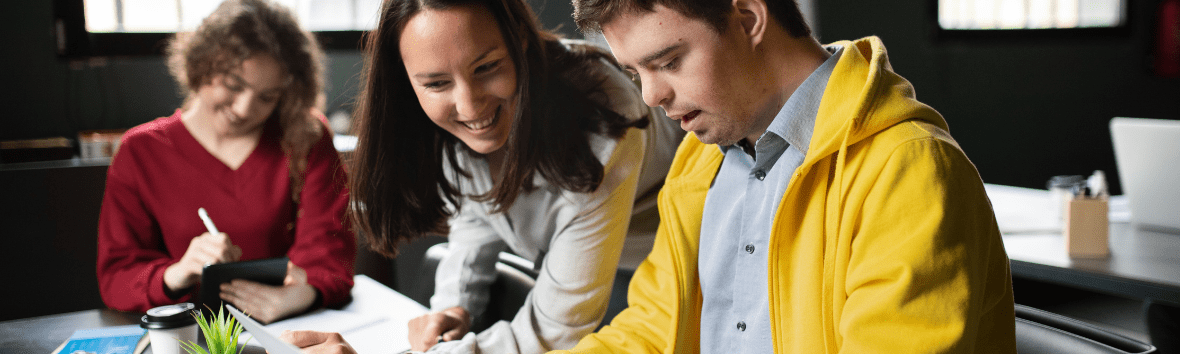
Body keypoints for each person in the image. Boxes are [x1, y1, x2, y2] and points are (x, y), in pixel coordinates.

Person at [548, 0, 1018, 352]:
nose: (651, 96)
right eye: (636, 72)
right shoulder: (700, 164)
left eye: (669, 62)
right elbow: (651, 329)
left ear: (750, 19)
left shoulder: (908, 169)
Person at [283, 0, 681, 351]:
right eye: (437, 83)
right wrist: (454, 307)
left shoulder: (603, 113)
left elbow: (557, 328)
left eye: (487, 67)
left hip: (650, 269)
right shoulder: (438, 124)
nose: (470, 106)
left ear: (519, 41)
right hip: (568, 275)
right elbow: (477, 212)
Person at [96, 0, 355, 324]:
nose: (245, 109)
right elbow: (117, 277)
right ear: (201, 65)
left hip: (289, 328)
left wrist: (299, 294)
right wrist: (177, 274)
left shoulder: (307, 138)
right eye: (233, 86)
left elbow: (330, 257)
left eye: (267, 97)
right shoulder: (140, 151)